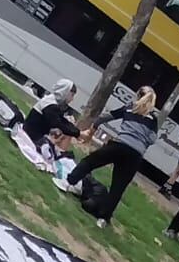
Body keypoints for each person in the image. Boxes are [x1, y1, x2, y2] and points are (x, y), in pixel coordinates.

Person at [63, 87, 160, 228]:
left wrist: (92, 129)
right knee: (118, 187)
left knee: (90, 162)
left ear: (138, 95)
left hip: (119, 145)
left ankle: (69, 182)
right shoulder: (154, 119)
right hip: (135, 155)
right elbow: (152, 139)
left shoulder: (130, 108)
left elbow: (105, 117)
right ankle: (103, 219)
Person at [21, 79, 80, 144]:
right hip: (31, 136)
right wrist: (78, 133)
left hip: (35, 135)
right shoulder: (50, 104)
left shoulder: (51, 101)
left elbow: (62, 121)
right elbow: (59, 124)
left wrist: (78, 132)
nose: (72, 99)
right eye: (72, 95)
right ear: (65, 92)